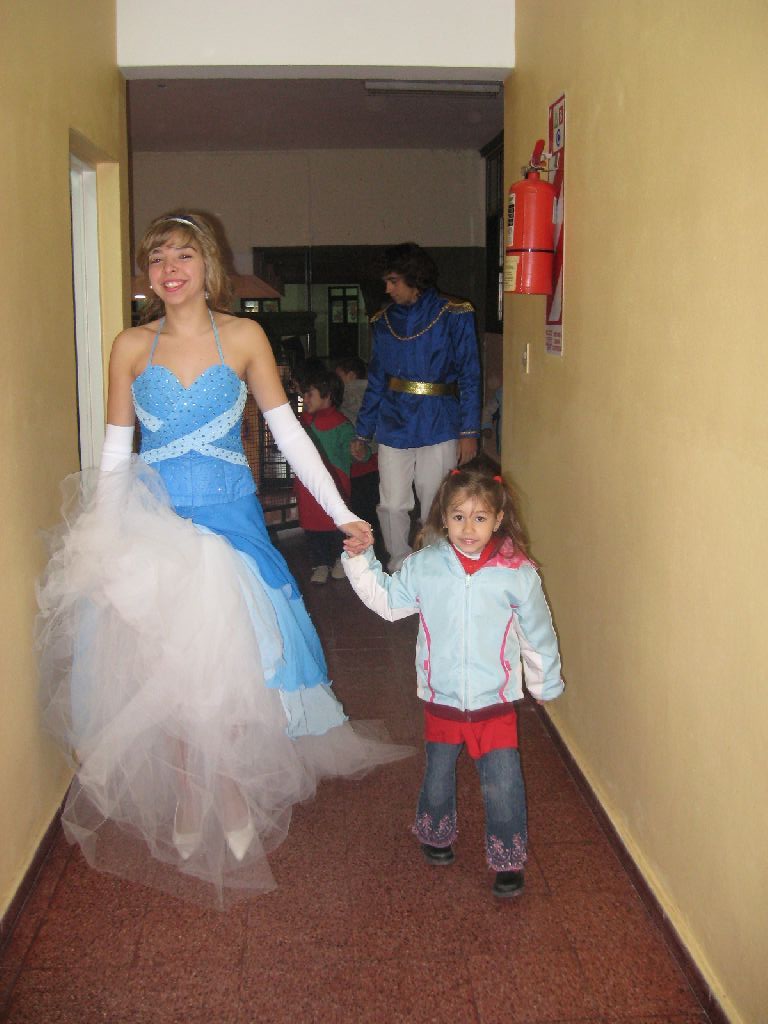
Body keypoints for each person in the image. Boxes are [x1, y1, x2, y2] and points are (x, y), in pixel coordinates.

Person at [36, 211, 411, 905]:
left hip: (230, 522)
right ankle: (188, 796)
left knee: (234, 666)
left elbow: (289, 435)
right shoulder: (130, 345)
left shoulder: (243, 336)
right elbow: (116, 453)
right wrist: (103, 541)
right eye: (157, 258)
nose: (169, 268)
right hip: (154, 526)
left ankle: (231, 791)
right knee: (170, 670)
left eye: (183, 254)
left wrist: (342, 513)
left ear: (208, 264)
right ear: (148, 274)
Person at [342, 454, 564, 897]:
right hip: (441, 695)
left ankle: (507, 858)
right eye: (459, 516)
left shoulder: (517, 574)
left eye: (480, 518)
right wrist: (361, 560)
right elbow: (388, 601)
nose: (468, 528)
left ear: (498, 519)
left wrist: (544, 682)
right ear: (444, 517)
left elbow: (538, 633)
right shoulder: (425, 566)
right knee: (438, 772)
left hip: (493, 701)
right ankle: (436, 832)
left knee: (503, 783)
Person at [353, 243, 482, 572]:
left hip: (439, 421)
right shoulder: (384, 321)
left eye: (393, 281)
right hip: (393, 422)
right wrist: (362, 432)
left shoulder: (454, 313)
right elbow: (377, 380)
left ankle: (435, 568)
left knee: (436, 503)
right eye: (386, 281)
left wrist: (469, 432)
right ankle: (398, 565)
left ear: (414, 279)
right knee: (392, 503)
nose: (388, 289)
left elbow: (469, 375)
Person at [294, 367, 356, 584]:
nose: (305, 399)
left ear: (327, 395)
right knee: (312, 525)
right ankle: (319, 563)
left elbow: (357, 453)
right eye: (303, 394)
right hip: (307, 485)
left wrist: (359, 452)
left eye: (309, 394)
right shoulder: (302, 422)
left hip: (335, 483)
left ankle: (341, 559)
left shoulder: (342, 424)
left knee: (336, 523)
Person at [334, 357, 383, 560]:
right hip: (377, 460)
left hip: (357, 464)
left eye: (339, 376)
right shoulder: (376, 393)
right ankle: (378, 552)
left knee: (358, 511)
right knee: (374, 510)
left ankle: (361, 554)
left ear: (351, 375)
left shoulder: (345, 396)